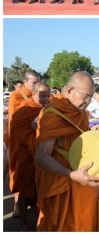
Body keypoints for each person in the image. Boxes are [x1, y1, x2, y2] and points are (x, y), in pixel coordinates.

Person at [35, 71, 99, 231]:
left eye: (91, 97)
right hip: (63, 181)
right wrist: (71, 175)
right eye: (85, 96)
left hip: (82, 181)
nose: (88, 102)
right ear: (70, 90)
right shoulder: (53, 114)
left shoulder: (80, 113)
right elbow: (42, 155)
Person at [9, 81, 50, 230]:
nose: (46, 99)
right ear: (33, 94)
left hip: (43, 155)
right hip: (27, 155)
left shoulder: (49, 109)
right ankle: (23, 221)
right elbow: (16, 130)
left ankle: (38, 217)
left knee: (40, 187)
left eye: (48, 96)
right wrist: (35, 132)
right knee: (25, 188)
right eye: (43, 96)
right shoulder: (24, 110)